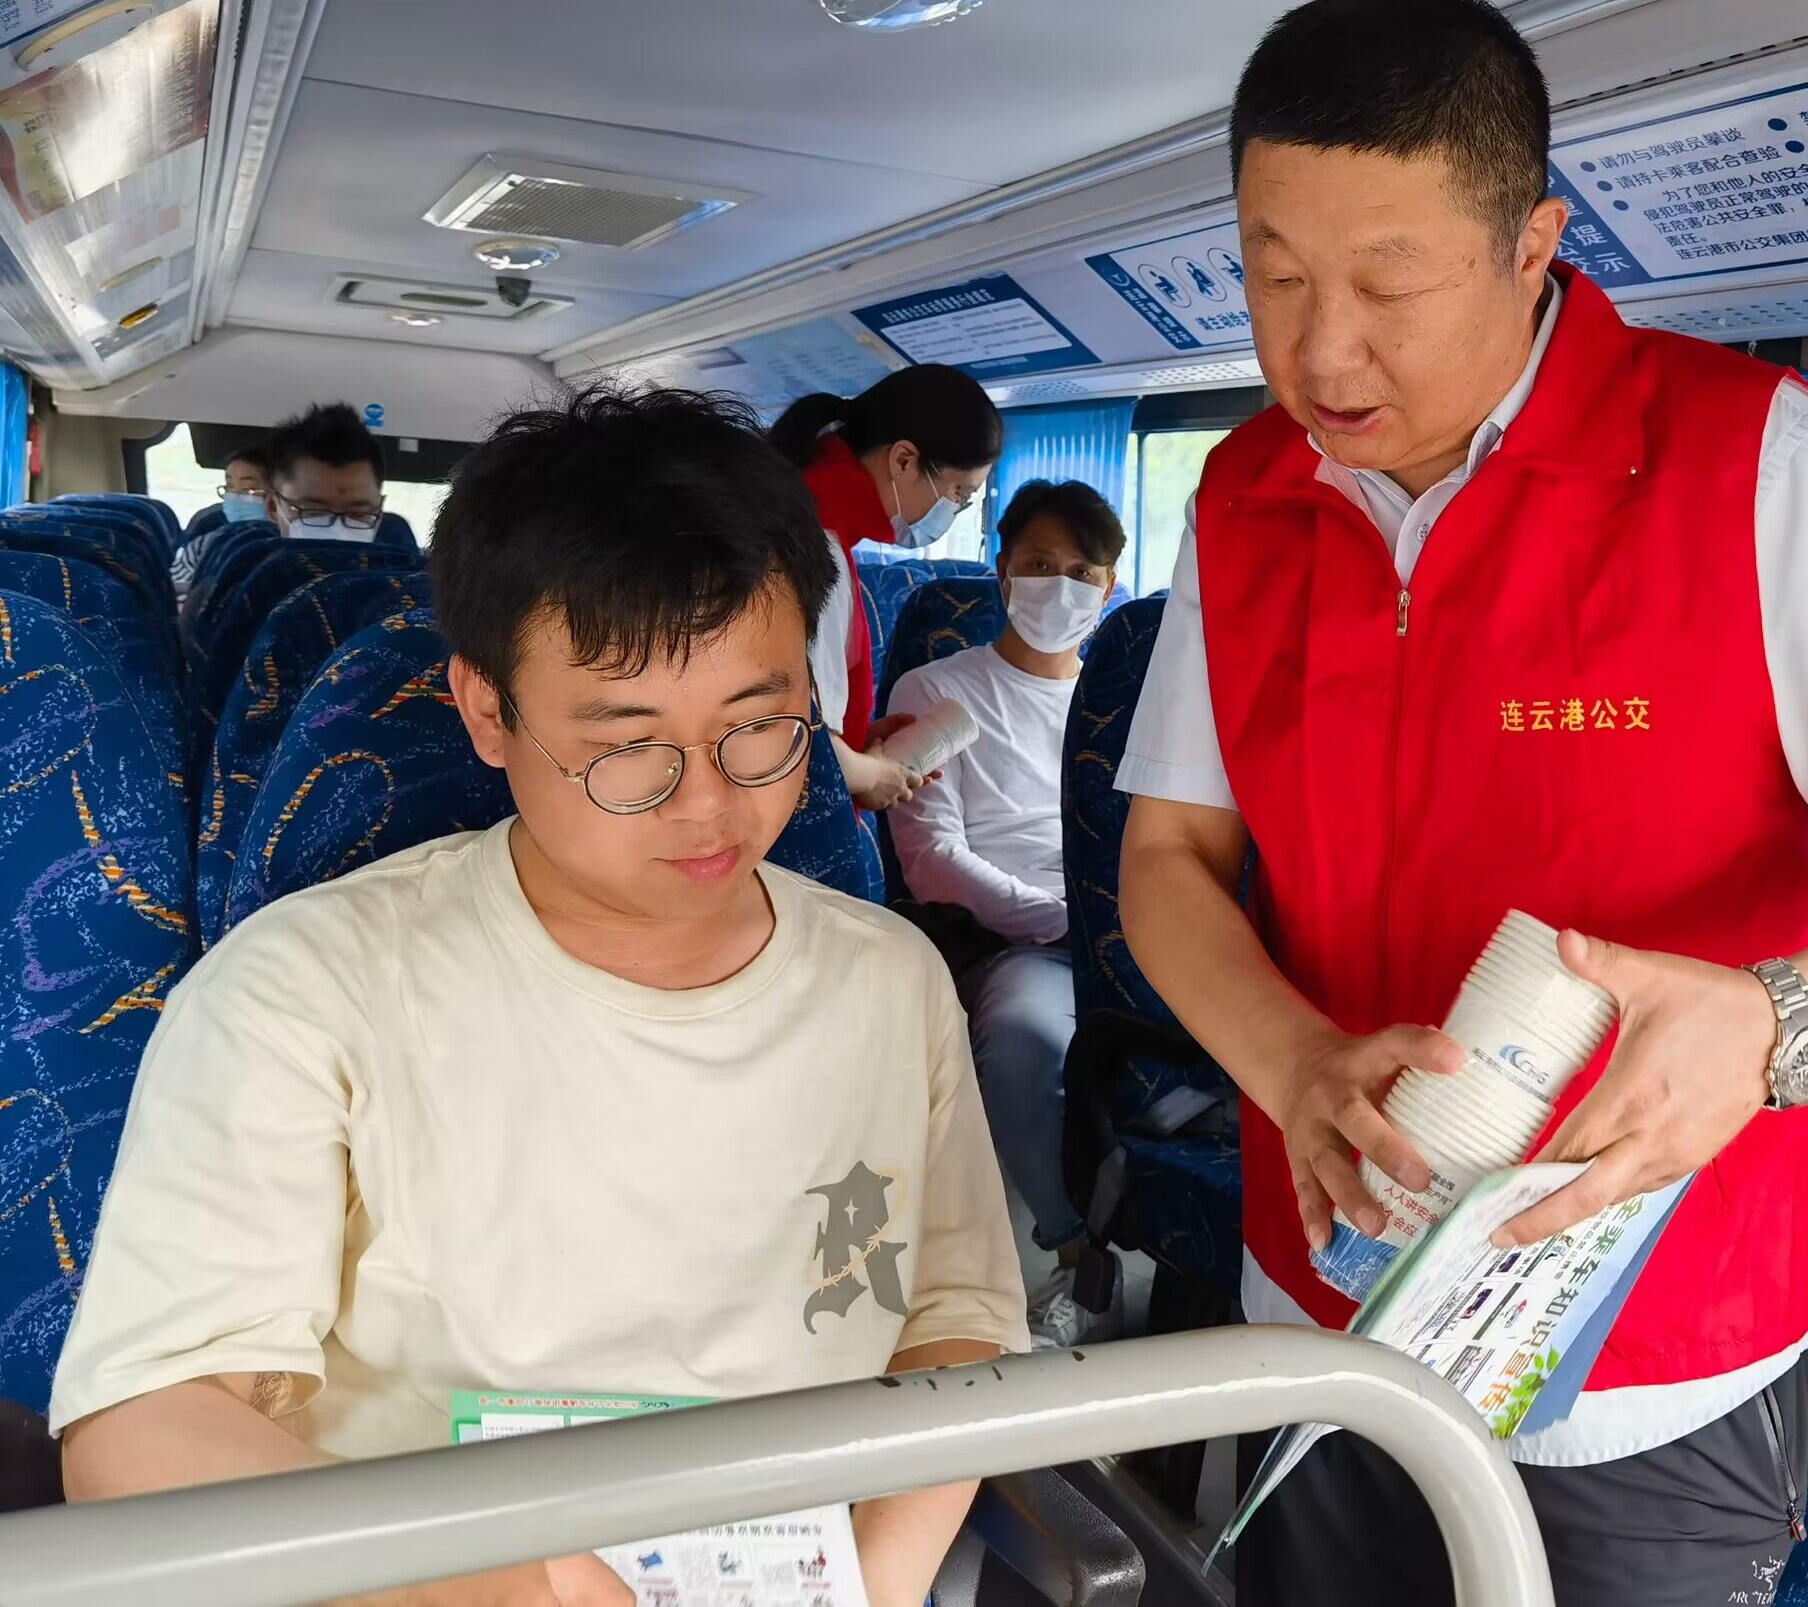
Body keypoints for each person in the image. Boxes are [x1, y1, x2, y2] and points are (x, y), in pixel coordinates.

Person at [1115, 0, 1808, 1607]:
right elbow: (1170, 855)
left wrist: (1781, 1019)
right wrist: (1292, 1060)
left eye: (1387, 282)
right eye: (1274, 277)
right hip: (1325, 1284)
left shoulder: (1744, 455)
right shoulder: (1244, 495)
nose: (1321, 348)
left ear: (1534, 241)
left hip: (1653, 1326)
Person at [51, 389, 1027, 1607]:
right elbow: (141, 1430)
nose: (708, 804)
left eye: (761, 728)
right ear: (487, 711)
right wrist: (499, 1584)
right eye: (626, 746)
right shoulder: (303, 991)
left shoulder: (890, 979)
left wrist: (880, 1579)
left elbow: (955, 1318)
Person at [884, 480, 1123, 1348]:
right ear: (1002, 573)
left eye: (1081, 573)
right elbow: (931, 856)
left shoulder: (1124, 699)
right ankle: (1072, 1246)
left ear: (1109, 587)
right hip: (1030, 935)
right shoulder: (940, 689)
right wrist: (1059, 919)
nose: (1060, 588)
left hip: (1141, 929)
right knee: (1025, 1041)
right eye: (1039, 566)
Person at [772, 367, 1002, 814]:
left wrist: (862, 743)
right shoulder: (816, 542)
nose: (955, 509)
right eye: (959, 493)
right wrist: (871, 775)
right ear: (903, 461)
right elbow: (791, 734)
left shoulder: (798, 507)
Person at [264, 401, 387, 541]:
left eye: (358, 514)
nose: (338, 531)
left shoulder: (398, 555)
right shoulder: (250, 554)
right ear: (273, 507)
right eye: (314, 512)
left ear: (380, 511)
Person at [170, 445, 273, 596]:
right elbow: (177, 596)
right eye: (229, 487)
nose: (234, 496)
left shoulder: (295, 547)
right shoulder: (204, 546)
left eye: (248, 489)